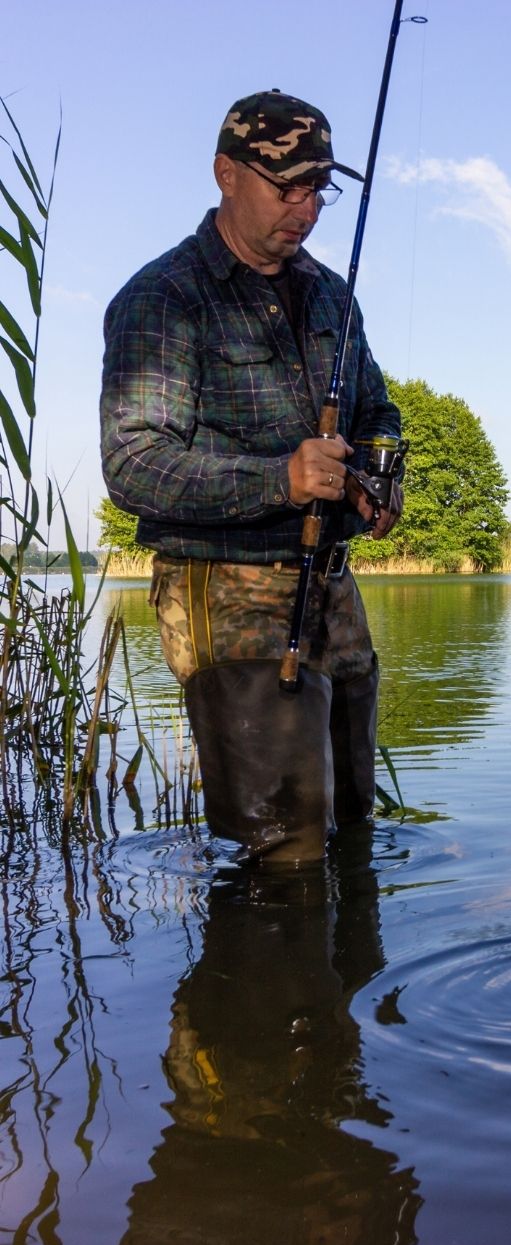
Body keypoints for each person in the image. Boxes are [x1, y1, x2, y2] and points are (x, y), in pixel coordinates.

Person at [100, 89, 403, 866]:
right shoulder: (163, 300)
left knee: (354, 831)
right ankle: (256, 985)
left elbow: (377, 409)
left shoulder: (333, 295)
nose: (303, 209)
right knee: (283, 853)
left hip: (332, 586)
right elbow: (134, 464)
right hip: (224, 589)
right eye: (284, 185)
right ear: (226, 174)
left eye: (317, 190)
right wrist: (282, 478)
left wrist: (378, 473)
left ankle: (348, 986)